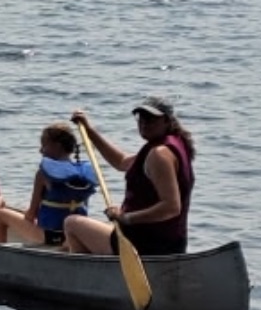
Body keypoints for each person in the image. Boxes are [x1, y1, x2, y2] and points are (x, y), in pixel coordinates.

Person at [64, 98, 195, 259]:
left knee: (72, 224)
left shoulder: (159, 154)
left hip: (145, 245)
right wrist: (89, 131)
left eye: (151, 119)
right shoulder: (172, 144)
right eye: (141, 118)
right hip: (169, 243)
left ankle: (87, 272)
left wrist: (126, 218)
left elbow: (171, 207)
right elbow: (121, 162)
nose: (144, 123)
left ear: (167, 121)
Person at [0, 122, 99, 248]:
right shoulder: (82, 175)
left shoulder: (42, 174)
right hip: (77, 235)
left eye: (44, 145)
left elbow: (31, 216)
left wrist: (27, 215)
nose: (41, 150)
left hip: (50, 236)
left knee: (1, 214)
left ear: (57, 146)